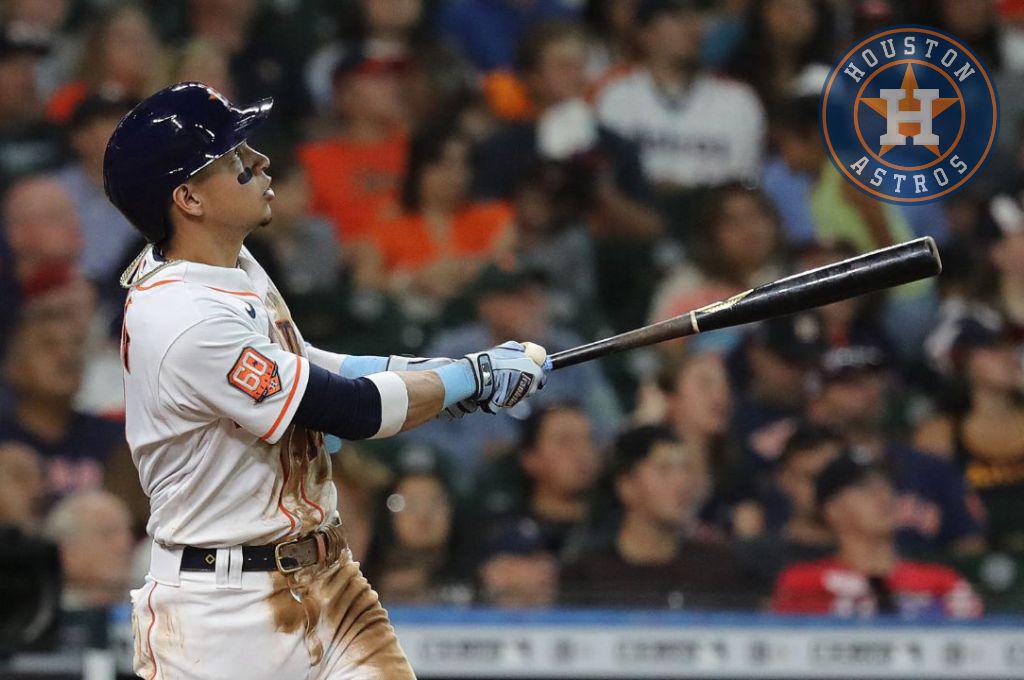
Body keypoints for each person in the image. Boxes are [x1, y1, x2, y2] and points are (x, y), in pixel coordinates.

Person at [103, 82, 549, 678]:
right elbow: (347, 410)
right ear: (188, 198)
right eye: (234, 160)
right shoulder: (181, 317)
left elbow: (307, 362)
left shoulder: (231, 262)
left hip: (328, 575)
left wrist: (432, 376)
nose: (259, 162)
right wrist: (467, 379)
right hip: (222, 616)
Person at [807, 345, 987, 556]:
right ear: (817, 402)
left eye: (871, 379)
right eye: (848, 383)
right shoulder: (809, 470)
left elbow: (969, 545)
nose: (865, 391)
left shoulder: (931, 467)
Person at [561, 426, 760, 608]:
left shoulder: (720, 569)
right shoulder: (587, 576)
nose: (683, 484)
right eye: (664, 470)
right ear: (626, 486)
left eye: (686, 470)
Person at [772, 452, 982, 618]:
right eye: (864, 488)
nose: (883, 496)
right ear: (832, 510)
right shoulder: (803, 584)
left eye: (887, 486)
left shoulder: (942, 582)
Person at [595, 0, 765, 192]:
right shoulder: (616, 95)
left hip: (712, 216)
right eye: (677, 16)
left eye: (696, 16)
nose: (693, 26)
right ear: (645, 33)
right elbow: (607, 181)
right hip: (635, 214)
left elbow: (744, 185)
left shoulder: (738, 100)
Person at [915, 316, 1024, 550]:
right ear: (962, 362)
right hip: (975, 560)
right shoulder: (940, 434)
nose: (1009, 356)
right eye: (993, 349)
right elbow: (931, 514)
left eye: (1010, 347)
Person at [299, 50, 409, 244]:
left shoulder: (422, 150)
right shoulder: (313, 160)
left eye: (395, 79)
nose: (394, 86)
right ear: (345, 95)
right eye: (379, 79)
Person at [472, 403, 599, 564]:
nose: (583, 452)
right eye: (565, 442)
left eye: (589, 439)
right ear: (530, 459)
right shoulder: (499, 534)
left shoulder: (618, 526)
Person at [734, 425, 841, 586]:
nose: (825, 488)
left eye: (834, 477)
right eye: (811, 478)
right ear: (785, 480)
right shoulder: (753, 558)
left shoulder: (875, 561)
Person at [363, 446, 469, 605]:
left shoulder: (475, 576)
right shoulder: (360, 581)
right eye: (408, 503)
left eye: (434, 502)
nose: (423, 516)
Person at [55, 94, 138, 288]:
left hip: (129, 290)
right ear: (76, 138)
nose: (103, 133)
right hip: (68, 286)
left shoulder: (154, 187)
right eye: (92, 126)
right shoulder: (56, 190)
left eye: (116, 121)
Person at [43, 490, 135, 610]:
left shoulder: (151, 611)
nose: (125, 545)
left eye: (127, 533)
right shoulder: (40, 618)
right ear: (66, 551)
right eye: (107, 533)